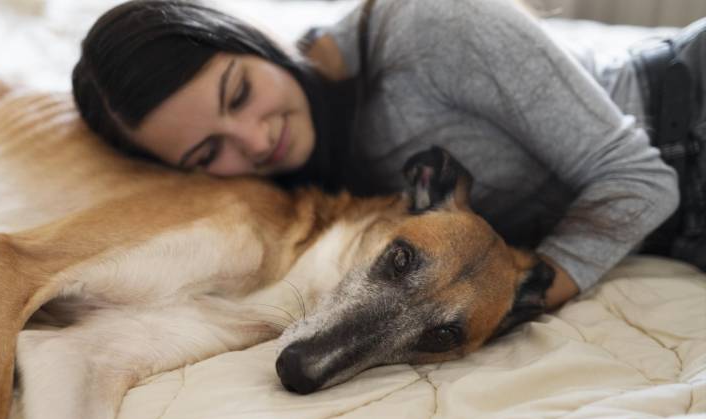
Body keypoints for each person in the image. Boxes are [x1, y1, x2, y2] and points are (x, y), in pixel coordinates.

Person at [71, 0, 705, 310]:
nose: (257, 142)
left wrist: (512, 304)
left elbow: (639, 181)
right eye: (210, 151)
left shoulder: (426, 24)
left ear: (249, 39)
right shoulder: (305, 183)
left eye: (239, 93)